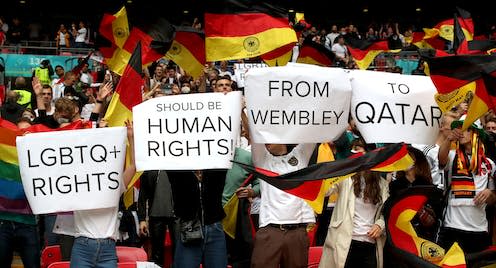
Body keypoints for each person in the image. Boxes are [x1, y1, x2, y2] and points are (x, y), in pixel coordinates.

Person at [250, 143, 316, 268]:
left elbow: (312, 130)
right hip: (269, 230)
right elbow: (254, 131)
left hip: (297, 232)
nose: (266, 141)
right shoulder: (262, 159)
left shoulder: (301, 155)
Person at [437, 116, 496, 253]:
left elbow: (493, 198)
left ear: (475, 133)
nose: (462, 132)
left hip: (479, 229)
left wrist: (489, 193)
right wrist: (449, 139)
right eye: (460, 129)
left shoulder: (489, 164)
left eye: (467, 129)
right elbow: (441, 158)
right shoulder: (452, 156)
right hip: (453, 227)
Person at [319, 170, 389, 268]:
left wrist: (380, 224)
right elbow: (326, 190)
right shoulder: (346, 178)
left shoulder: (383, 184)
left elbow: (386, 212)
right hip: (345, 243)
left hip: (370, 245)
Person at [137, 170, 175, 267]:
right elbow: (142, 195)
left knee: (179, 251)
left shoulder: (176, 165)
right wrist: (142, 220)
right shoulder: (149, 169)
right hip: (155, 214)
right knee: (156, 254)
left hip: (176, 215)